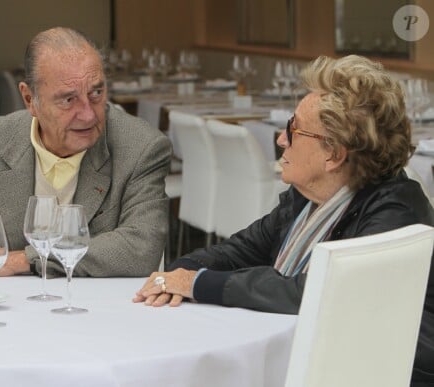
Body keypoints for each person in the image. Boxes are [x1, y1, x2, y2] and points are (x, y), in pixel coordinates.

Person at [134, 55, 434, 386]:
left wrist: (196, 283)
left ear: (333, 154)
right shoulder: (307, 200)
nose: (280, 140)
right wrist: (175, 274)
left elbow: (317, 291)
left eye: (293, 129)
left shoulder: (397, 211)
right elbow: (240, 250)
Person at [0, 27, 171, 278]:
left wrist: (24, 259)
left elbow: (141, 248)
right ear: (29, 99)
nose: (89, 114)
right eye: (68, 100)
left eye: (96, 93)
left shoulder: (142, 147)